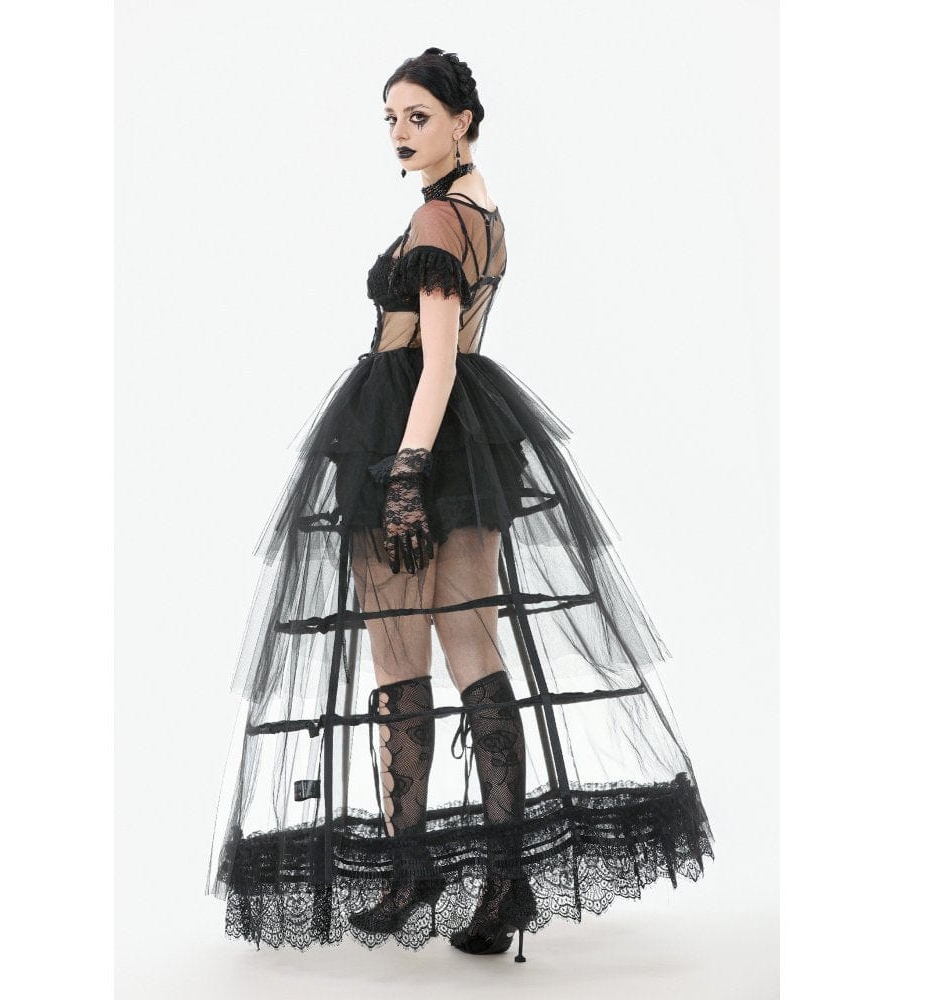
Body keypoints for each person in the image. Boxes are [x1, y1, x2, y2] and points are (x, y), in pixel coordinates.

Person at [206, 47, 714, 963]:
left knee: (397, 651)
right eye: (391, 119)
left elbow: (435, 361)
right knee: (474, 644)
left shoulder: (437, 218)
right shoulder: (484, 211)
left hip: (406, 432)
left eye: (418, 117)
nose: (400, 134)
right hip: (471, 440)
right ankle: (506, 875)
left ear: (462, 121)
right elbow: (457, 354)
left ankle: (413, 871)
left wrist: (404, 473)